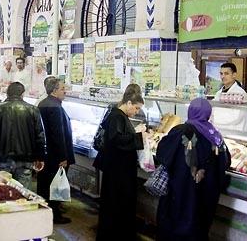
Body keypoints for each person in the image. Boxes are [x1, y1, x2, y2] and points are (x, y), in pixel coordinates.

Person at [155, 98, 231, 241]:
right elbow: (225, 162)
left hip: (179, 193)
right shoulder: (215, 136)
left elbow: (162, 154)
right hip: (204, 198)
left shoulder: (180, 131)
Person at [95, 91, 145, 240]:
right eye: (136, 108)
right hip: (118, 172)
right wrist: (137, 135)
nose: (136, 112)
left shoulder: (119, 115)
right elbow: (117, 140)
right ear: (128, 103)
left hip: (117, 170)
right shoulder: (117, 116)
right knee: (116, 204)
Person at [0, 82, 45, 190]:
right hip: (26, 160)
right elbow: (40, 136)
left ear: (7, 93)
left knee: (3, 193)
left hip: (2, 160)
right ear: (22, 94)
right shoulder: (33, 110)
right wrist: (40, 157)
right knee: (22, 193)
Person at [37, 78, 75, 224]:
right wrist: (63, 157)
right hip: (55, 156)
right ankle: (55, 214)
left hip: (46, 154)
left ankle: (44, 210)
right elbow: (58, 134)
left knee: (45, 185)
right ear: (54, 90)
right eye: (62, 88)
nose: (65, 91)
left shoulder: (43, 103)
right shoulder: (55, 107)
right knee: (56, 186)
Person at [211, 62, 247, 133]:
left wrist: (212, 116)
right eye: (221, 74)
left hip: (236, 135)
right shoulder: (218, 93)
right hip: (221, 134)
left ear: (234, 75)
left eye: (226, 73)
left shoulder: (240, 94)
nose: (223, 76)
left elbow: (235, 117)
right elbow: (212, 107)